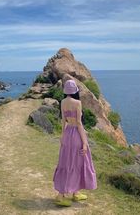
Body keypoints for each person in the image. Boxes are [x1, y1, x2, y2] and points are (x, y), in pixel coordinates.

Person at [53, 79, 97, 207]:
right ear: (75, 91)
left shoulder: (62, 102)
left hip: (67, 134)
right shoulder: (77, 103)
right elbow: (78, 123)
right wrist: (84, 142)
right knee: (78, 162)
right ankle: (60, 196)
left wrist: (62, 136)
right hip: (77, 135)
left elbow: (63, 120)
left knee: (66, 162)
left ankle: (75, 192)